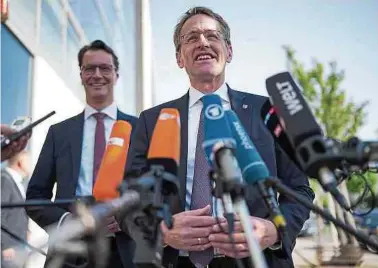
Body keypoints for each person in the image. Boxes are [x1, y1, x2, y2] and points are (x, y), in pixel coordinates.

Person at [127, 6, 314, 268]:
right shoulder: (152, 120)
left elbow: (299, 189)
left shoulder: (268, 111)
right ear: (180, 58)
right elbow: (131, 197)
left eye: (212, 36)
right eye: (191, 38)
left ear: (229, 51)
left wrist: (273, 231)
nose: (202, 42)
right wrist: (160, 231)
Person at [26, 40, 138, 268]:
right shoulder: (59, 132)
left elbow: (154, 193)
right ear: (81, 75)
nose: (97, 75)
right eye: (90, 68)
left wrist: (126, 218)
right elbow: (35, 196)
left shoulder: (140, 128)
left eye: (105, 68)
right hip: (69, 251)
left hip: (126, 252)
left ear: (116, 76)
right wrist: (67, 221)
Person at [1, 151, 31, 268]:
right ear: (20, 162)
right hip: (10, 249)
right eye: (28, 161)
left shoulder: (16, 181)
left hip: (19, 246)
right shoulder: (5, 180)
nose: (31, 165)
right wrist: (4, 245)